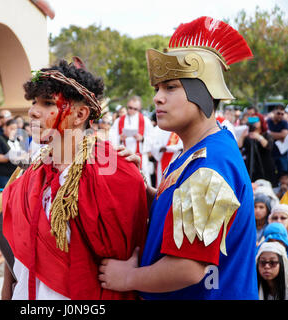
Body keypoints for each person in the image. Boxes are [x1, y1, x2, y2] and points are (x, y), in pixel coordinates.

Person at [98, 16, 258, 299]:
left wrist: (128, 278)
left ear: (204, 95)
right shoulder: (197, 152)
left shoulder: (211, 164)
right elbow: (177, 217)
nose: (158, 98)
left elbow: (187, 267)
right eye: (157, 89)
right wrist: (137, 185)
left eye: (171, 87)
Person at [2, 58, 148, 300]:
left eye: (48, 103)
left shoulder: (116, 173)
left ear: (80, 114)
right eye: (34, 102)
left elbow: (128, 255)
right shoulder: (28, 174)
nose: (33, 111)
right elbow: (16, 256)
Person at [109, 95, 154, 184]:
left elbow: (153, 139)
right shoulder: (119, 121)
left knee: (142, 182)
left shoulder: (146, 121)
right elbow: (111, 138)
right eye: (130, 108)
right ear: (127, 106)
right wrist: (119, 138)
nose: (132, 110)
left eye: (135, 109)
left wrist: (142, 139)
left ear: (139, 108)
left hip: (141, 157)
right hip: (123, 158)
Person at [238, 116, 276, 185]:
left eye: (256, 121)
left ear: (261, 122)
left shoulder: (266, 134)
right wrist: (242, 136)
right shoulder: (247, 135)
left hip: (264, 166)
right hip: (251, 166)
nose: (254, 123)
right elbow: (239, 146)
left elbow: (268, 146)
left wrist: (258, 137)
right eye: (252, 121)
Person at [0, 119, 28, 189]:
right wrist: (11, 157)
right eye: (11, 129)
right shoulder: (0, 140)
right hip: (4, 175)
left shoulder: (18, 140)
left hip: (17, 174)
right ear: (5, 127)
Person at [267, 104, 288, 177]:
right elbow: (265, 134)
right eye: (278, 113)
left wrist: (269, 134)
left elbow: (283, 135)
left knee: (283, 173)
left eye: (282, 114)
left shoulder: (284, 123)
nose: (280, 115)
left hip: (281, 153)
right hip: (269, 152)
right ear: (273, 112)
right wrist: (279, 135)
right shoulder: (268, 121)